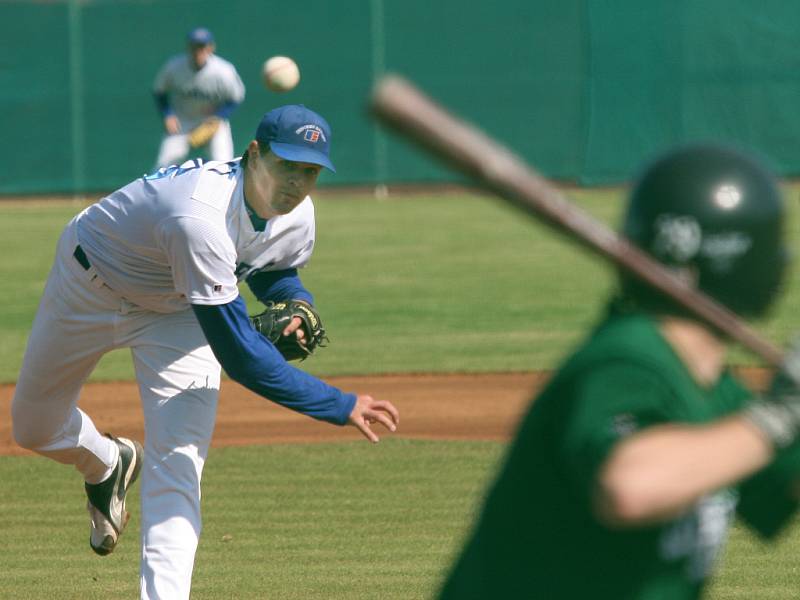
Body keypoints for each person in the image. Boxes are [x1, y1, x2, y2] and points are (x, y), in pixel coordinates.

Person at [11, 104, 399, 600]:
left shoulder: (297, 215)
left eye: (310, 172)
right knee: (34, 426)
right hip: (89, 283)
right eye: (288, 166)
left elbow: (269, 266)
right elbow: (240, 356)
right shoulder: (198, 215)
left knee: (178, 465)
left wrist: (297, 302)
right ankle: (107, 462)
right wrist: (338, 404)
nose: (298, 183)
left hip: (179, 310)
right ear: (254, 154)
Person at [438, 143, 800, 599]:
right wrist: (781, 417)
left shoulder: (714, 389)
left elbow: (780, 481)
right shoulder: (626, 360)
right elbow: (630, 487)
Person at [152, 27, 246, 168]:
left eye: (202, 46)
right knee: (163, 167)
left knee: (224, 165)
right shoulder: (174, 67)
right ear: (188, 47)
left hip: (212, 122)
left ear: (211, 48)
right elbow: (159, 90)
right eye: (194, 46)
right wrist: (168, 115)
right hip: (181, 121)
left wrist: (219, 116)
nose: (198, 51)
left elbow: (236, 97)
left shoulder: (223, 71)